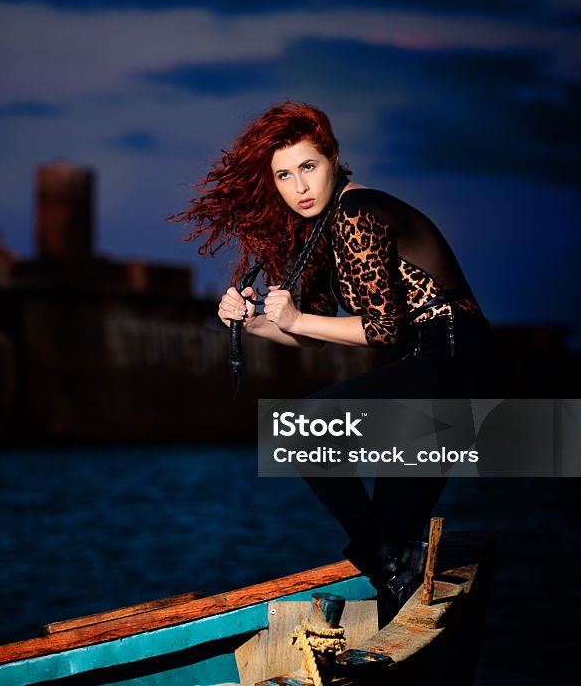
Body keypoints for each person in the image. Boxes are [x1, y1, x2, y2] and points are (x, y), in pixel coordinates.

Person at [172, 101, 492, 627]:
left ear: (334, 159)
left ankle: (382, 559)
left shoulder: (355, 212)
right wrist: (249, 320)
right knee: (399, 550)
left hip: (450, 353)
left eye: (308, 167)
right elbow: (317, 335)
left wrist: (296, 319)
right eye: (283, 174)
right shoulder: (320, 232)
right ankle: (401, 609)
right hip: (436, 363)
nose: (299, 186)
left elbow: (381, 329)